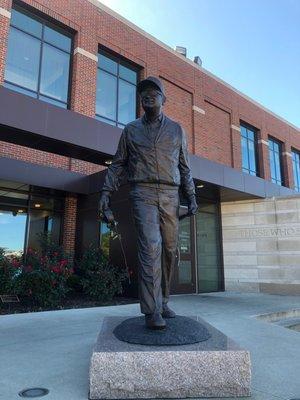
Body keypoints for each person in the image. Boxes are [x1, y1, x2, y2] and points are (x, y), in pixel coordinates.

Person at [99, 76, 198, 329]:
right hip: (142, 192)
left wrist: (191, 195)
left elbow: (185, 167)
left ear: (164, 99)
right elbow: (118, 163)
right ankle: (151, 309)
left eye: (154, 92)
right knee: (151, 247)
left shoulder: (176, 130)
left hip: (170, 195)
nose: (148, 96)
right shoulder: (131, 130)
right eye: (143, 93)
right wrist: (105, 194)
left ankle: (163, 301)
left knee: (169, 250)